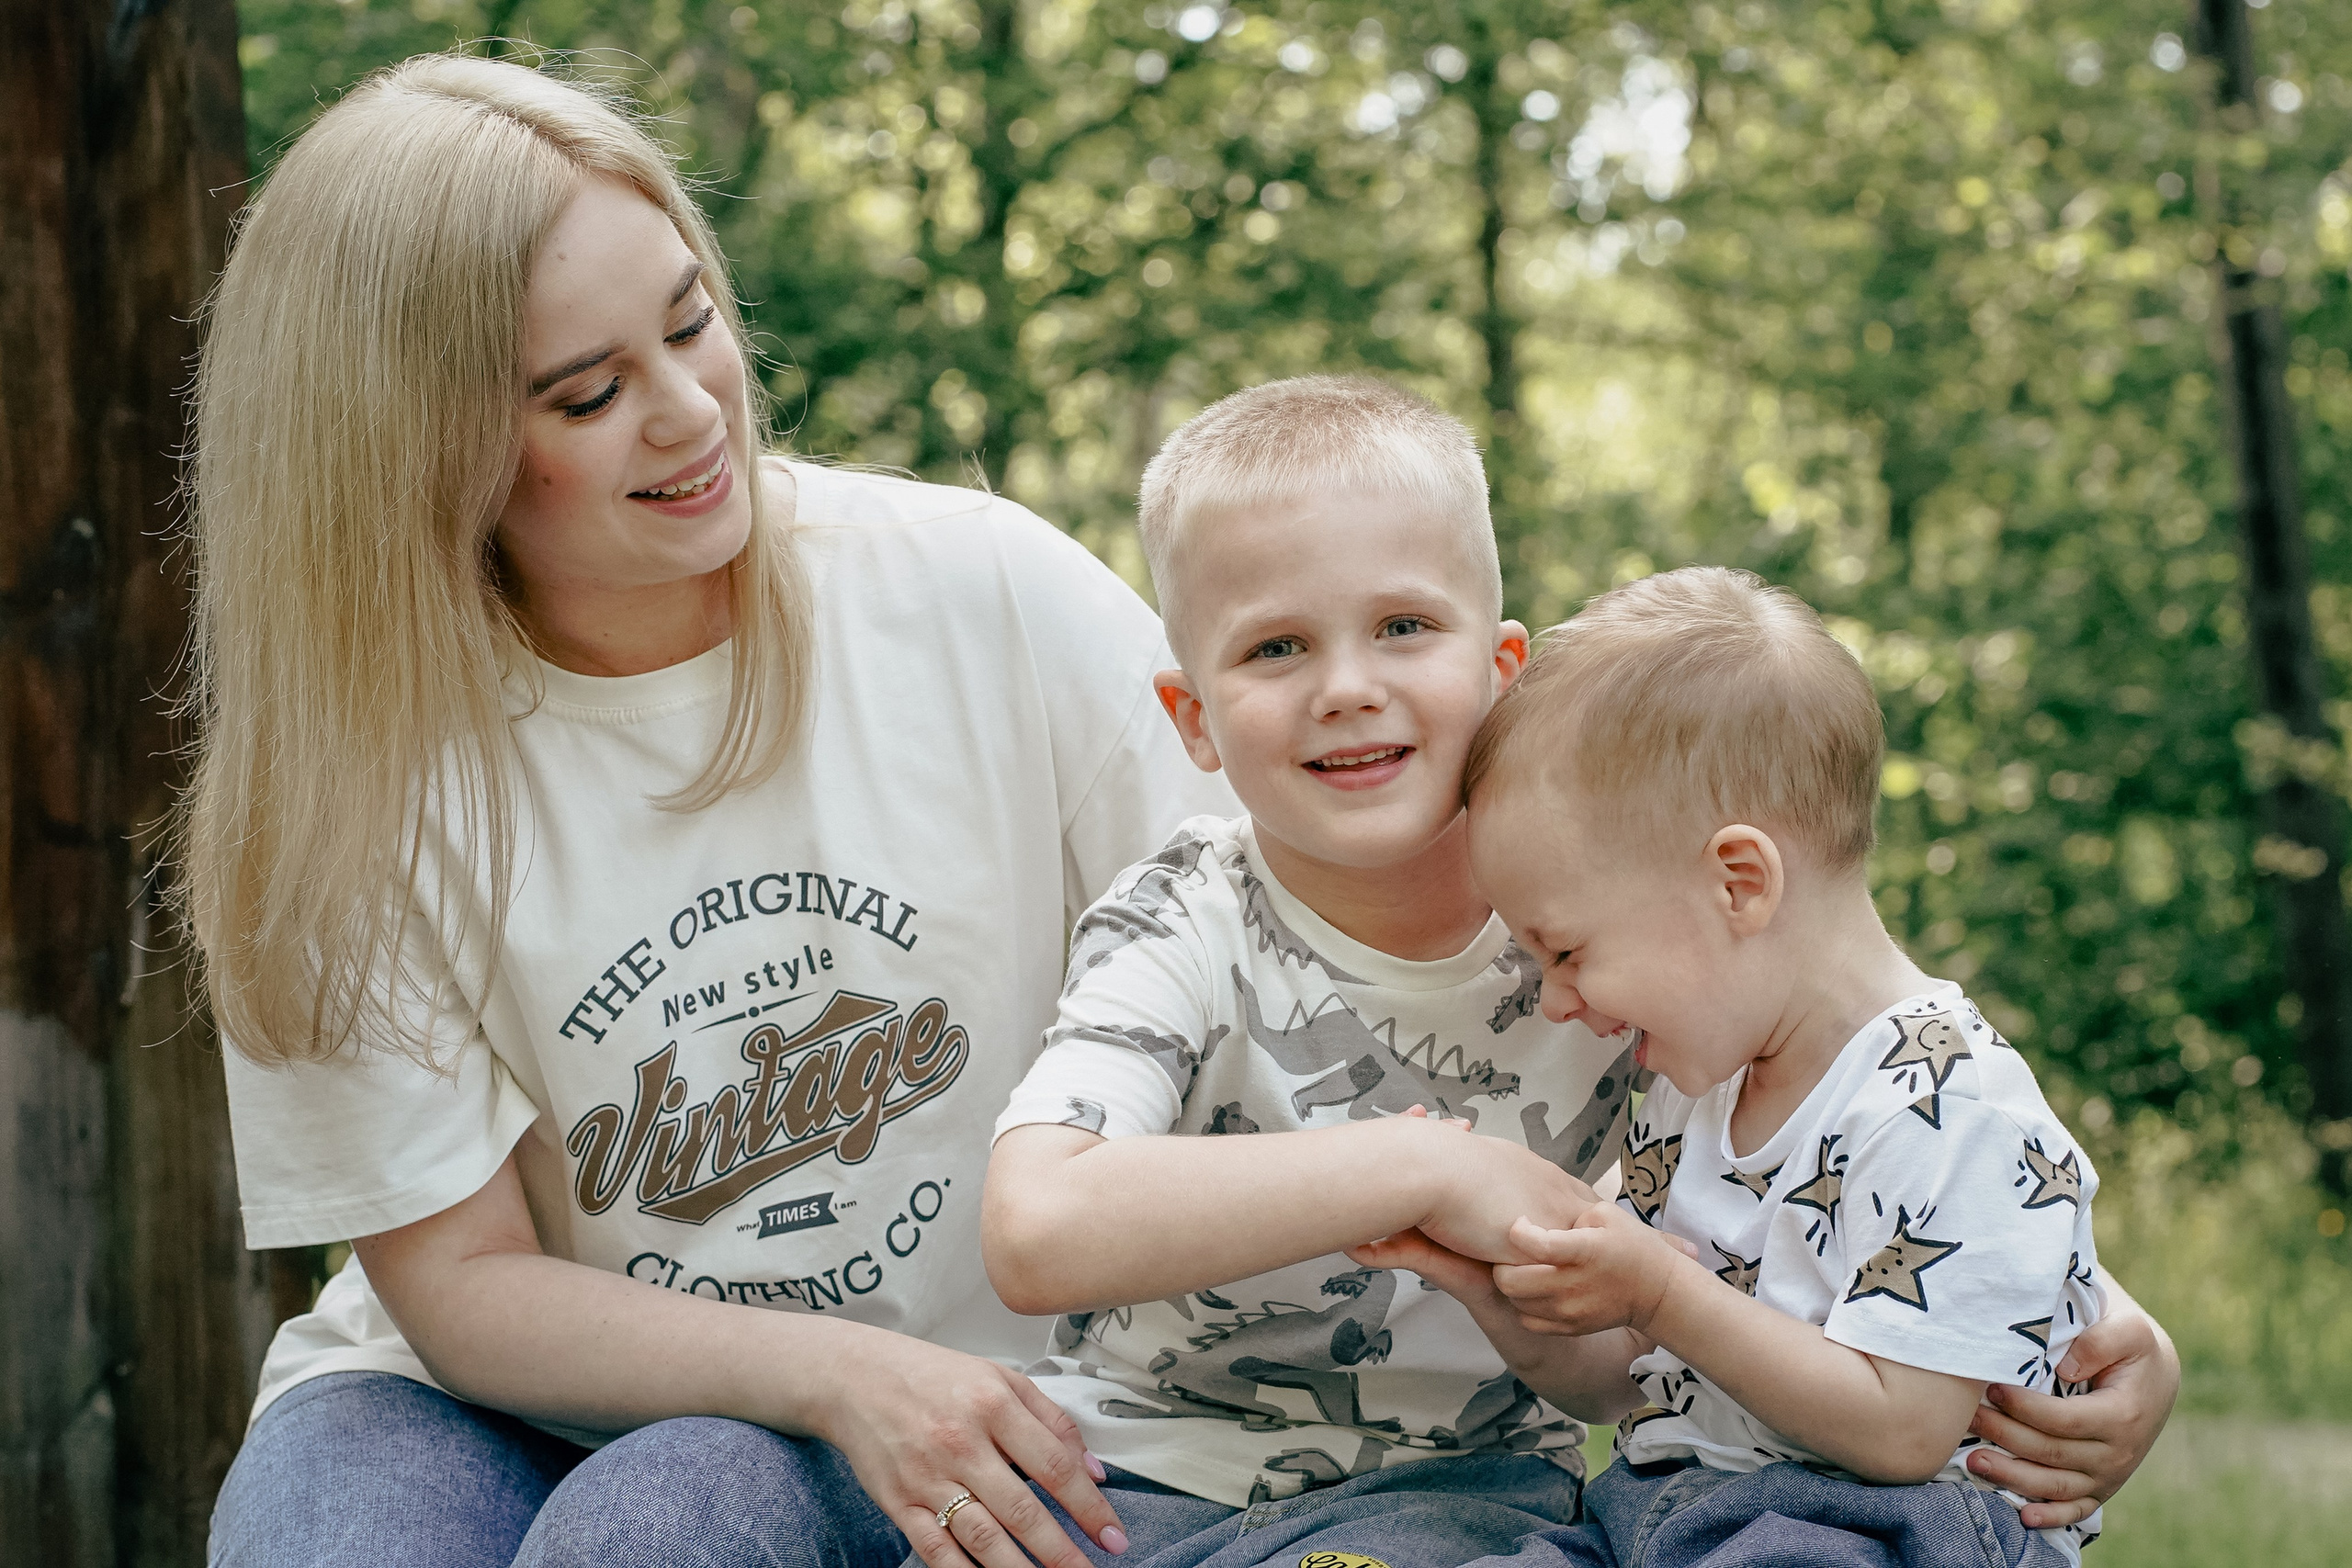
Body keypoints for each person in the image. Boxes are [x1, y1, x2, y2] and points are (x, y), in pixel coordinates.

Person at [190, 53, 1236, 1568]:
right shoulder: (351, 767)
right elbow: (466, 1285)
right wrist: (835, 1368)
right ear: (420, 452)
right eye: (590, 393)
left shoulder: (981, 593)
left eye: (689, 322)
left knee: (663, 1523)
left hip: (970, 1388)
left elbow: (1273, 954)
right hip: (474, 1395)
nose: (690, 412)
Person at [981, 378, 1647, 1566]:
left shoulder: (1616, 933)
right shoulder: (1185, 915)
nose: (1346, 684)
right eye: (1277, 645)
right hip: (1133, 1477)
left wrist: (2075, 1298)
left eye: (1402, 625)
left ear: (1503, 666)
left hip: (1459, 1491)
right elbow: (1036, 1227)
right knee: (689, 1482)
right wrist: (1422, 1162)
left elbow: (1623, 1368)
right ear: (1194, 719)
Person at [1358, 566, 2132, 1567]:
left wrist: (1663, 1295)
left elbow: (1904, 1433)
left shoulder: (1950, 1107)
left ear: (1738, 882)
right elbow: (1615, 1383)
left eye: (1567, 950)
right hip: (1666, 1511)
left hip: (1882, 1530)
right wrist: (1493, 1290)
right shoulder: (1692, 1090)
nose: (1552, 998)